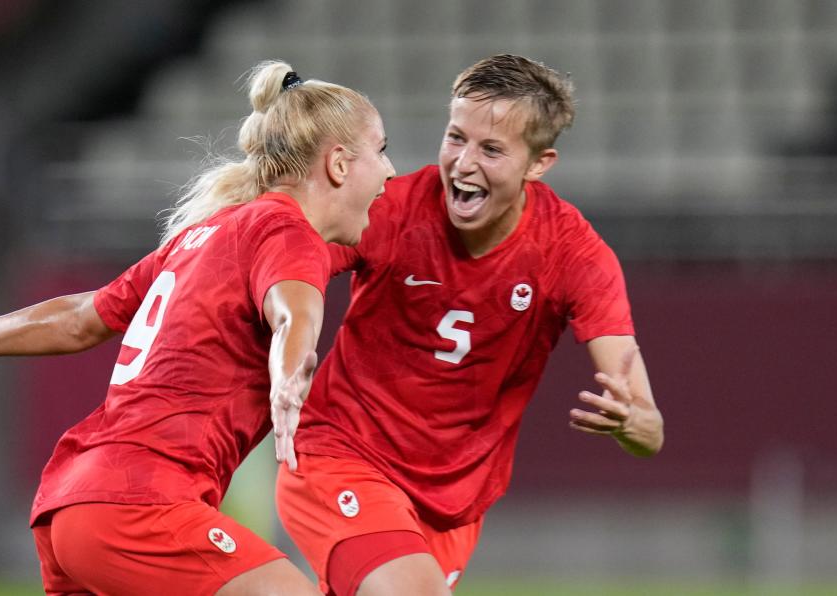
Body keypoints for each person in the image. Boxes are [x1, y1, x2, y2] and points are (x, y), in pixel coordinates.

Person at [0, 60, 395, 596]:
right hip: (140, 505)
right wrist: (290, 371)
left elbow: (80, 319)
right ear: (340, 164)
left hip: (73, 505)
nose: (390, 172)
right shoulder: (286, 232)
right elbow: (291, 311)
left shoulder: (205, 234)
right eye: (381, 150)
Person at [275, 54, 665, 596]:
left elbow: (646, 423)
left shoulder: (573, 255)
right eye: (456, 137)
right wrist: (292, 328)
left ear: (539, 163)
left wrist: (636, 427)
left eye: (492, 149)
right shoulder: (392, 210)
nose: (462, 163)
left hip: (453, 506)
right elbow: (289, 260)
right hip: (343, 455)